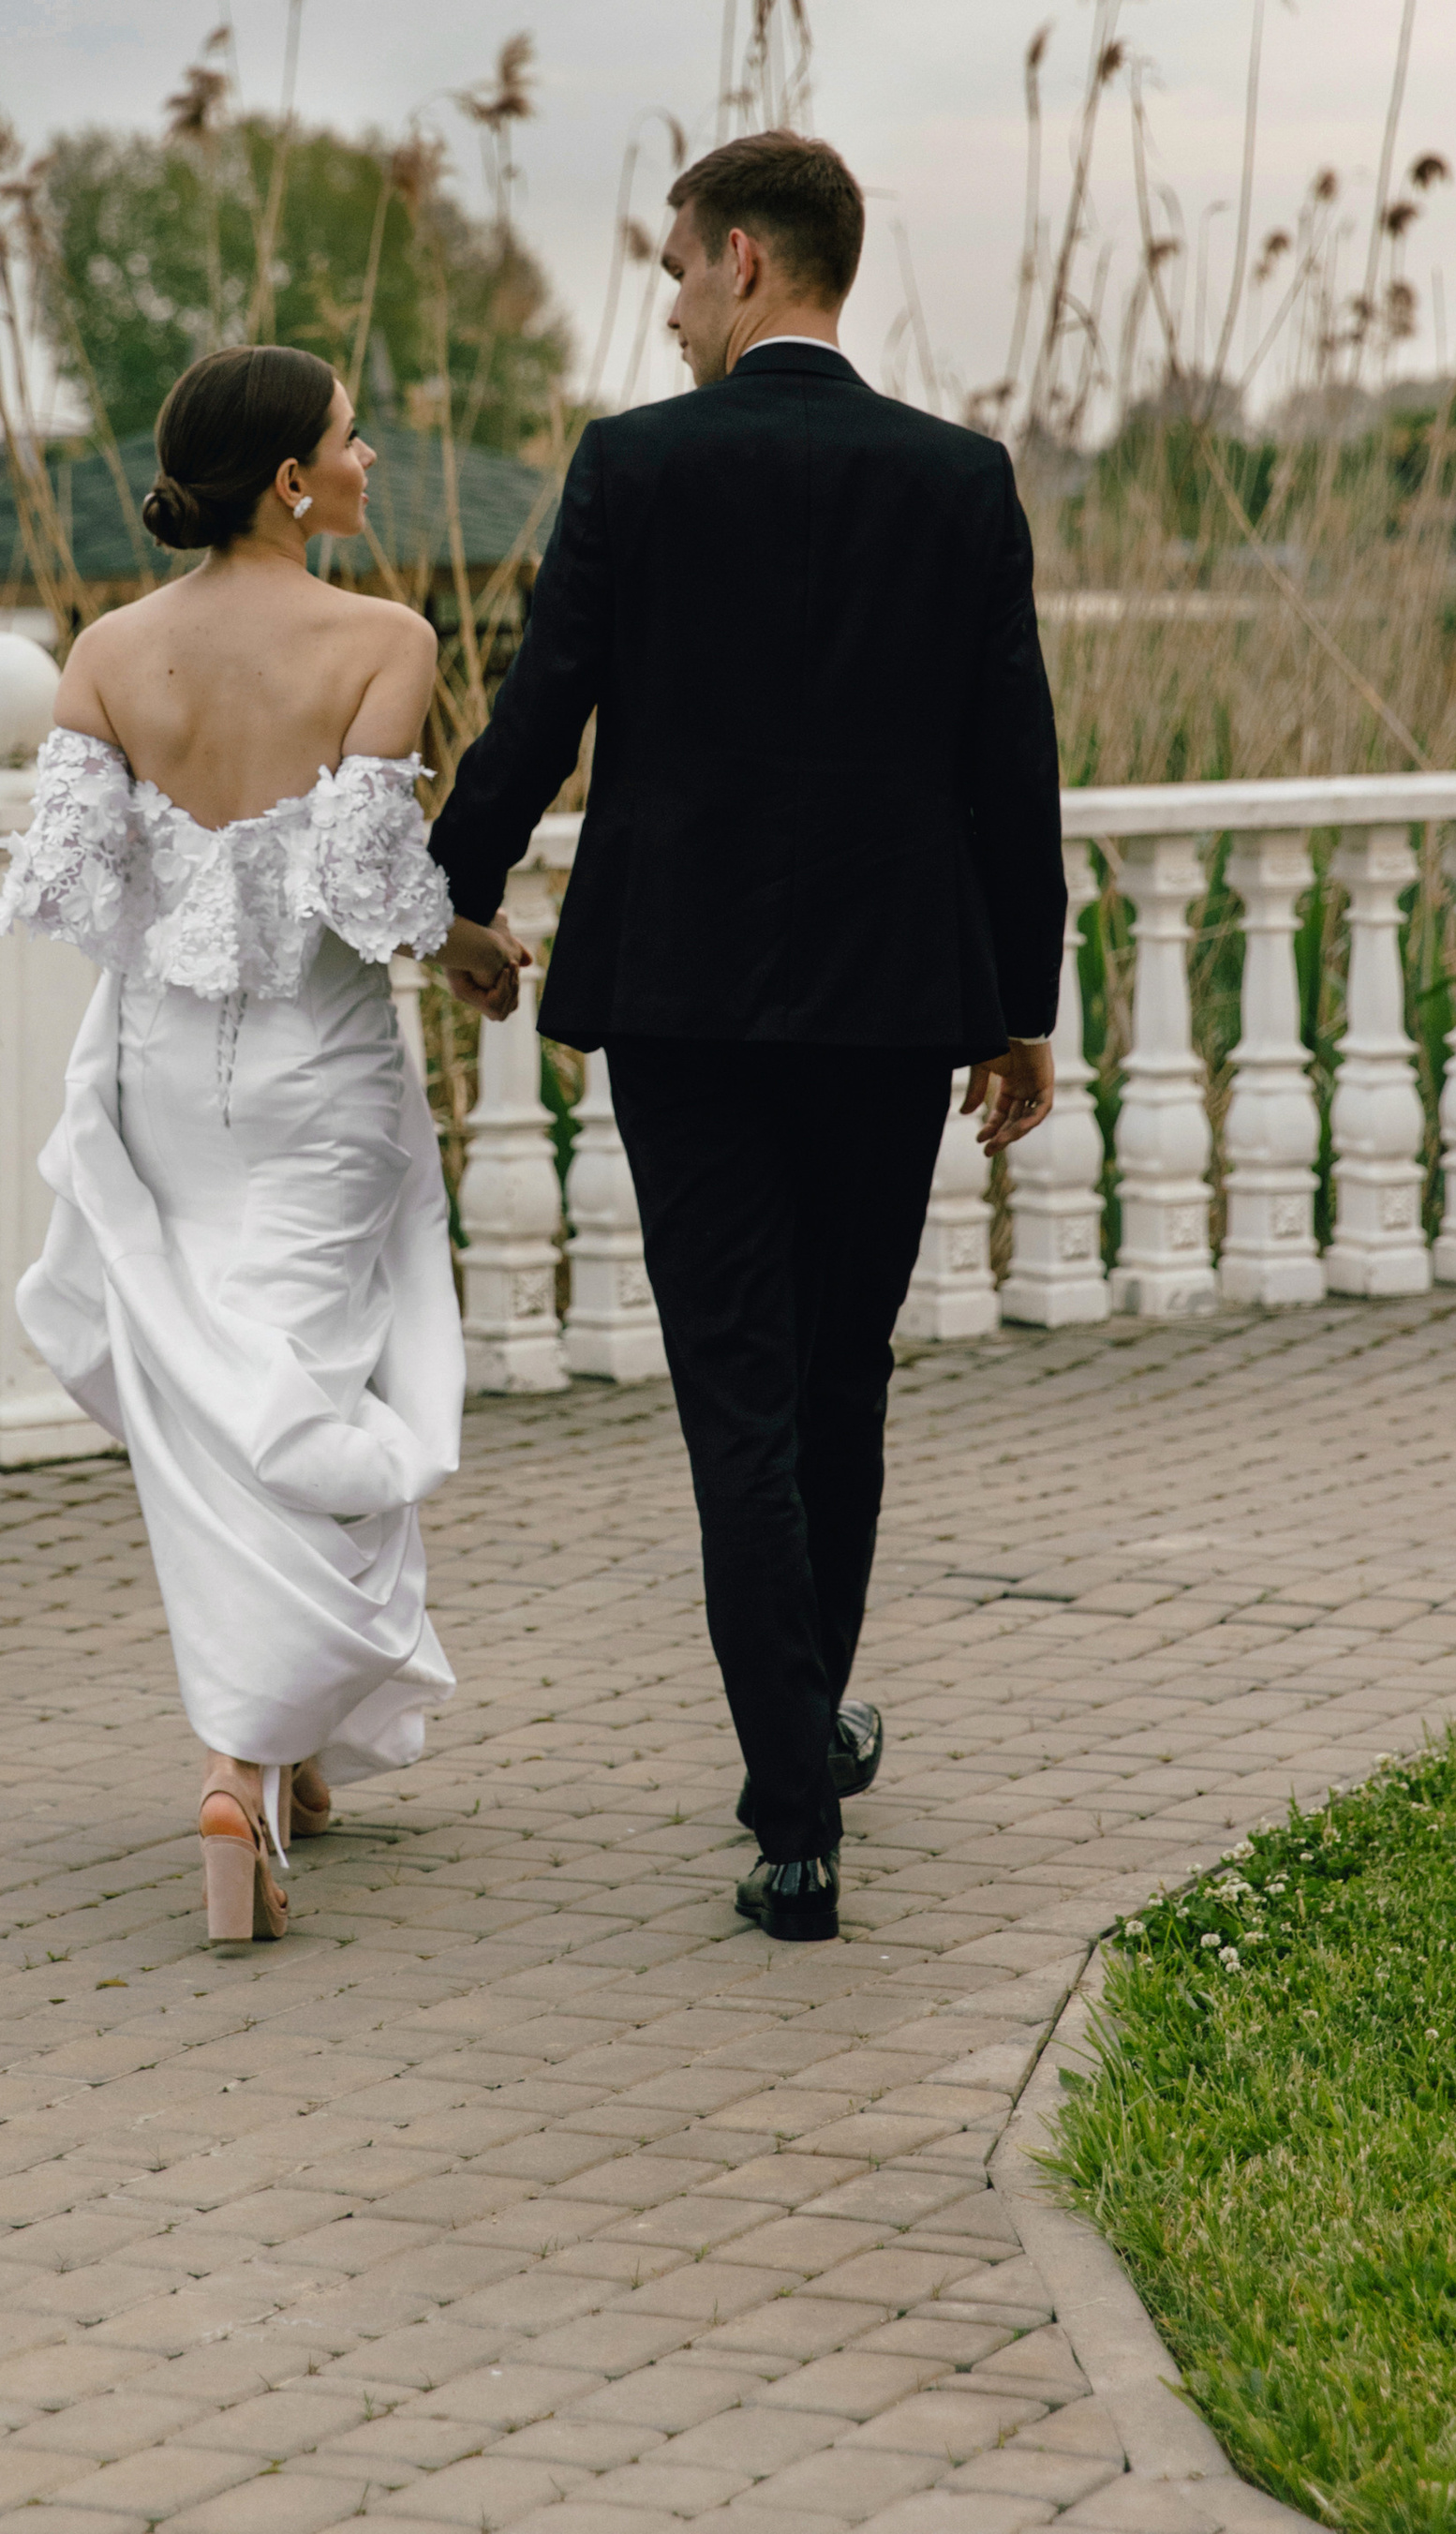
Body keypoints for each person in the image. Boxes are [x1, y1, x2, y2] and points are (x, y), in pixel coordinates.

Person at [429, 131, 1064, 1944]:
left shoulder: (639, 464)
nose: (670, 299)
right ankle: (802, 1746)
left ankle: (796, 1801)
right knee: (838, 1368)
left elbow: (542, 705)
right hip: (888, 1003)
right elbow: (1008, 764)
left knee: (737, 1385)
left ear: (747, 265)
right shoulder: (959, 480)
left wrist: (447, 893)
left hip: (688, 1002)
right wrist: (1017, 1000)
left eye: (679, 266)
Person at [0, 345, 527, 1946]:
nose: (372, 462)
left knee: (225, 1396)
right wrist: (478, 948)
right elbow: (371, 891)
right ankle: (238, 1764)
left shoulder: (107, 651)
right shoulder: (384, 640)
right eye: (354, 441)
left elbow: (76, 888)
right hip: (319, 1085)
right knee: (307, 1381)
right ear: (293, 480)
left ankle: (289, 1750)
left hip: (165, 1080)